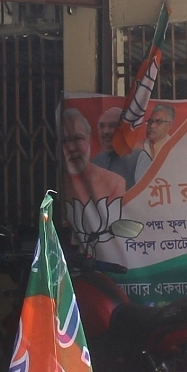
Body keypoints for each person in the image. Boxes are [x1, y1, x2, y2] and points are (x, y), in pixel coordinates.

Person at [59, 106, 128, 265]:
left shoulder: (114, 183)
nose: (71, 148)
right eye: (65, 141)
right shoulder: (51, 183)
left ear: (90, 140)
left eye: (78, 138)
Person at [129, 101, 179, 185]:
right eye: (150, 121)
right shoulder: (136, 149)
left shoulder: (177, 150)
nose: (151, 126)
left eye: (158, 122)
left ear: (169, 126)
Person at [91, 103, 137, 188]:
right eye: (101, 126)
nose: (106, 131)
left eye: (113, 126)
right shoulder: (95, 162)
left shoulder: (139, 158)